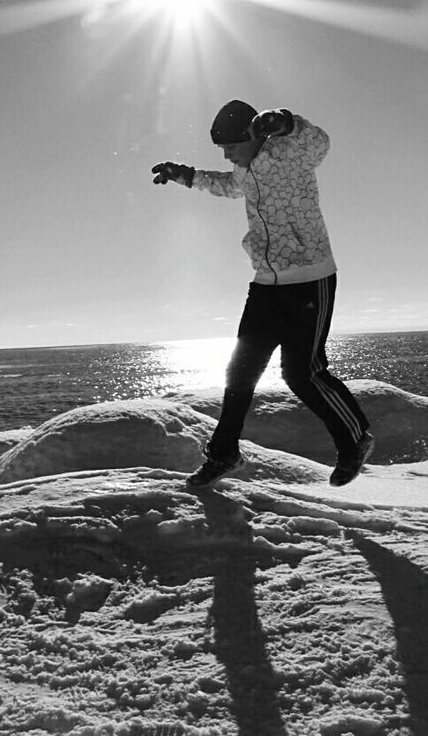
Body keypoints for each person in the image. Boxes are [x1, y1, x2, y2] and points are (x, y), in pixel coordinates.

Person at [151, 99, 374, 488]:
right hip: (266, 284)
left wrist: (286, 122)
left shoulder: (290, 155)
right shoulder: (245, 171)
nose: (225, 153)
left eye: (230, 145)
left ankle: (355, 440)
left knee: (302, 373)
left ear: (254, 136)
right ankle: (224, 455)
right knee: (239, 372)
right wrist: (182, 175)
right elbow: (222, 184)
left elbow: (319, 142)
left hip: (310, 277)